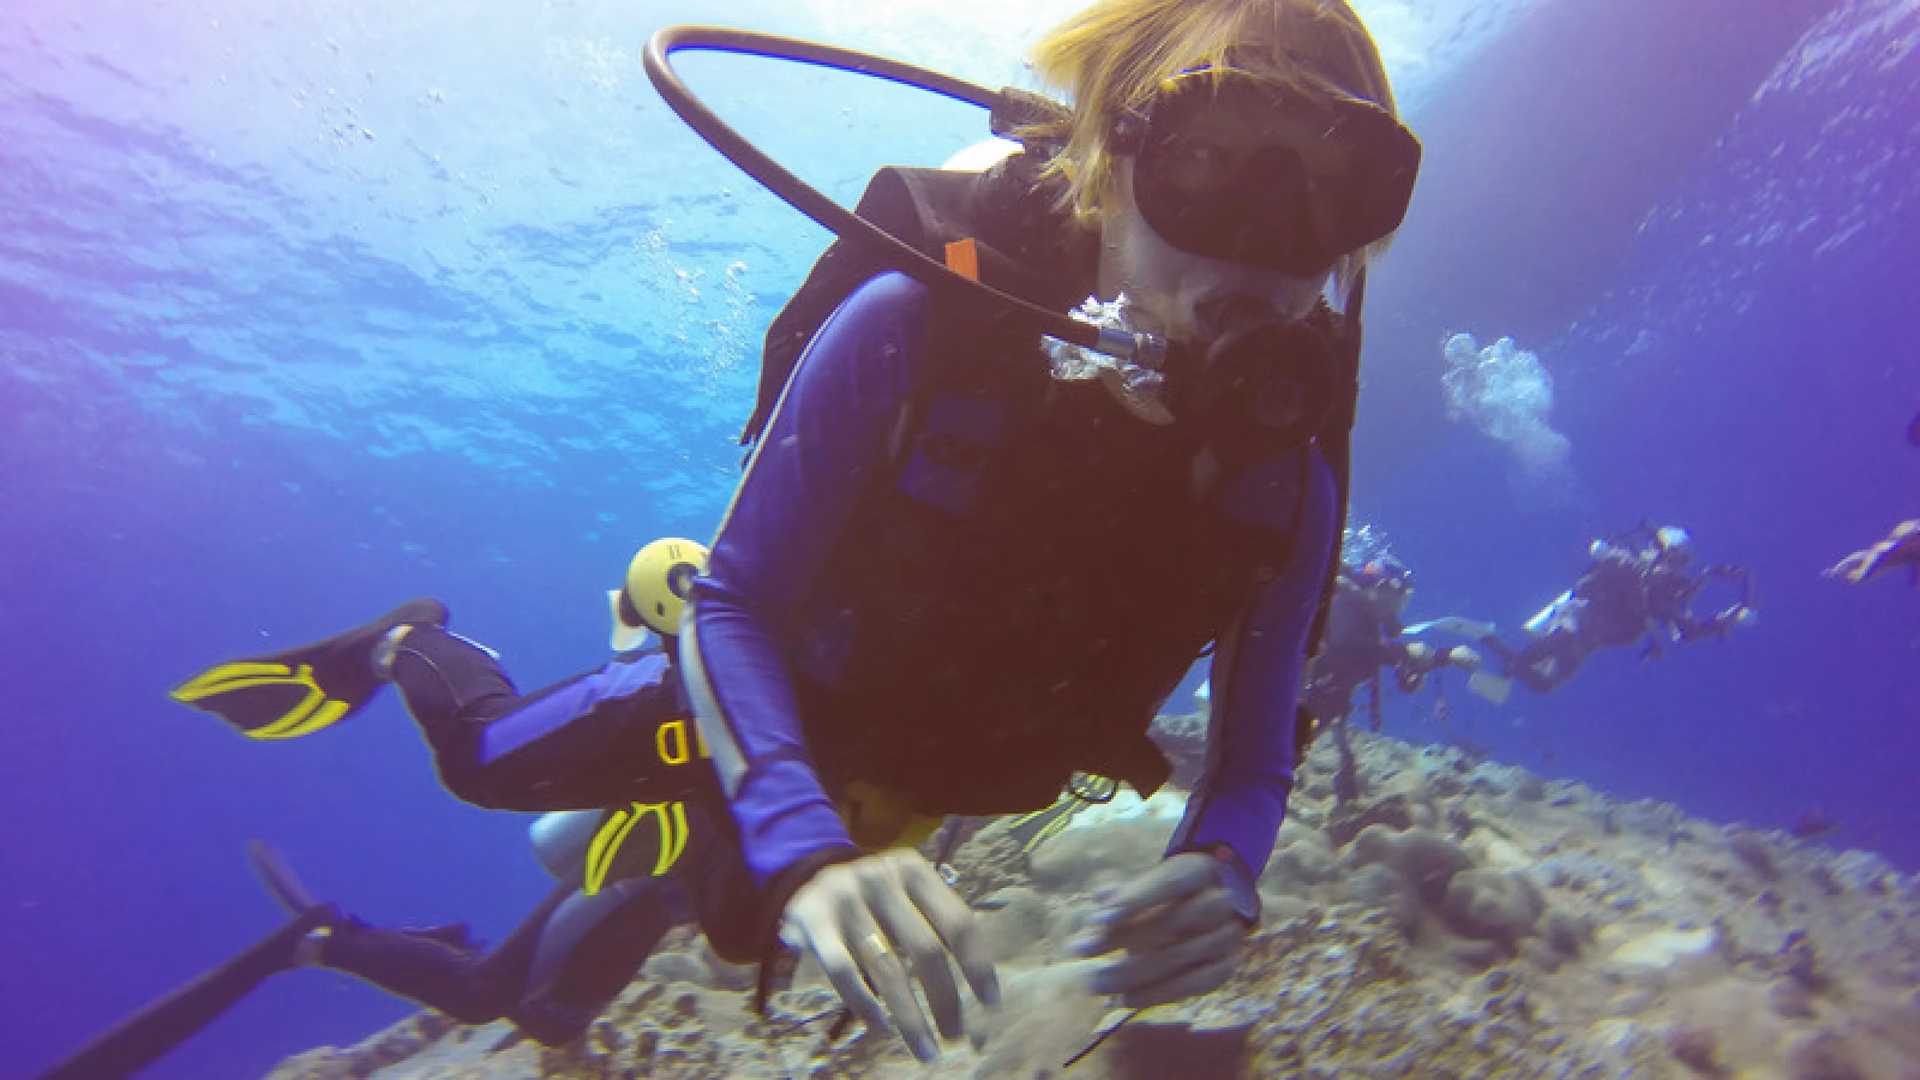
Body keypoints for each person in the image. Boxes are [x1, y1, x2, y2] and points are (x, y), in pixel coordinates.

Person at [676, 0, 1422, 1062]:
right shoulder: (913, 326)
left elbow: (1252, 764)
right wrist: (804, 847)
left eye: (1335, 188)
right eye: (1206, 158)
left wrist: (1225, 871)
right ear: (1105, 163)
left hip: (959, 776)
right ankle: (408, 645)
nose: (1266, 244)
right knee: (571, 827)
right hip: (800, 719)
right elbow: (736, 599)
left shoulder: (1285, 487)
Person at [52, 541, 765, 1078]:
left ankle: (332, 939)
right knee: (475, 759)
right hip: (663, 749)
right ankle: (410, 639)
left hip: (674, 848)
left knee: (543, 1016)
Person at [1480, 524, 1757, 696]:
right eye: (1673, 558)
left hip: (1592, 640)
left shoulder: (1665, 596)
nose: (1675, 568)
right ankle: (1507, 665)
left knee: (1545, 684)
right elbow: (1598, 560)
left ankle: (1489, 639)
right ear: (1658, 550)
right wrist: (1616, 560)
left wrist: (1723, 619)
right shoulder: (1628, 564)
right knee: (1561, 639)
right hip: (1578, 616)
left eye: (1681, 563)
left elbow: (1685, 631)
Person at [1300, 555, 1483, 733]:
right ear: (1381, 588)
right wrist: (1404, 652)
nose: (1397, 609)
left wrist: (1449, 656)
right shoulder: (1343, 602)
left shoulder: (1369, 623)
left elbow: (1395, 656)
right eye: (1398, 599)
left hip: (1311, 706)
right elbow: (1345, 641)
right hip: (1293, 696)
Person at [1823, 518, 1920, 586]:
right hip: (1885, 554)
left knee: (1861, 574)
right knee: (1860, 575)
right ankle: (1836, 571)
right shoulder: (1889, 548)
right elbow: (1879, 550)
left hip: (1889, 554)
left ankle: (1837, 571)